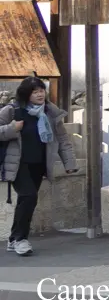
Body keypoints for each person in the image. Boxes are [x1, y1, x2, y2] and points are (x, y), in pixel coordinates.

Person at [0, 77, 78, 255]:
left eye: (41, 90)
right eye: (35, 91)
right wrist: (12, 128)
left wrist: (69, 163)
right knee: (29, 196)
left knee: (25, 200)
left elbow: (62, 140)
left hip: (39, 165)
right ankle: (21, 239)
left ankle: (13, 239)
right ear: (26, 94)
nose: (40, 94)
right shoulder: (12, 111)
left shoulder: (50, 112)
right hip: (18, 165)